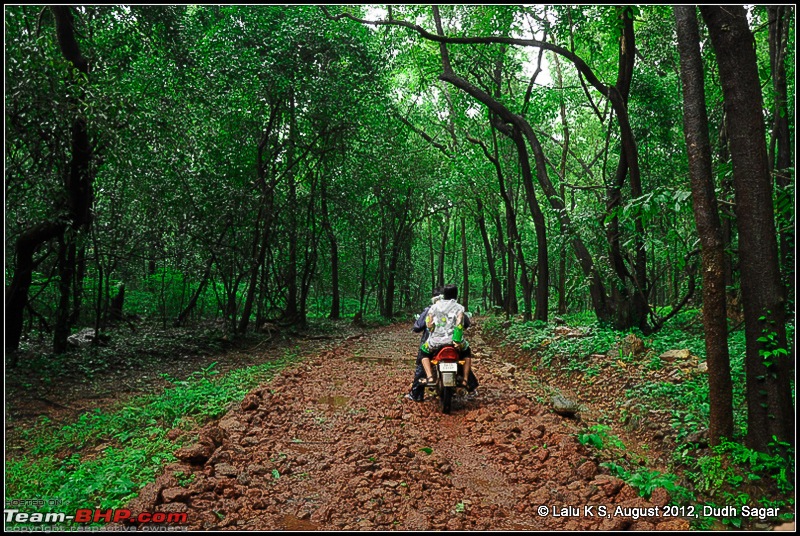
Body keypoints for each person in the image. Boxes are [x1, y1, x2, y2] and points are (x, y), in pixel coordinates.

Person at [418, 283, 477, 393]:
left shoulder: (434, 307)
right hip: (453, 341)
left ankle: (430, 377)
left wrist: (433, 330)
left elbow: (429, 324)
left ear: (444, 295)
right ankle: (464, 380)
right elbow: (459, 325)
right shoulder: (459, 307)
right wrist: (457, 340)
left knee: (424, 352)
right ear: (456, 295)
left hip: (435, 341)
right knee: (467, 352)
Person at [405, 287, 442, 402]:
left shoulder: (429, 310)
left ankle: (416, 394)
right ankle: (471, 387)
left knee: (422, 363)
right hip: (451, 344)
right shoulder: (453, 310)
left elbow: (417, 327)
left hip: (432, 345)